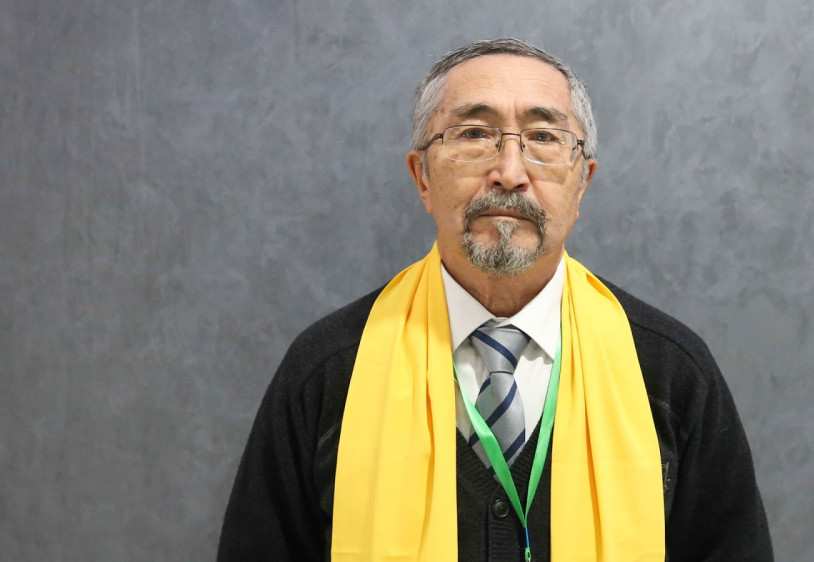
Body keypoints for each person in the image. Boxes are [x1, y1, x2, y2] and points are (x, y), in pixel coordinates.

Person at [218, 38, 773, 561]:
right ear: (422, 177)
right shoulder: (329, 370)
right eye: (474, 134)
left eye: (544, 138)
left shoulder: (670, 373)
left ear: (582, 182)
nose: (509, 173)